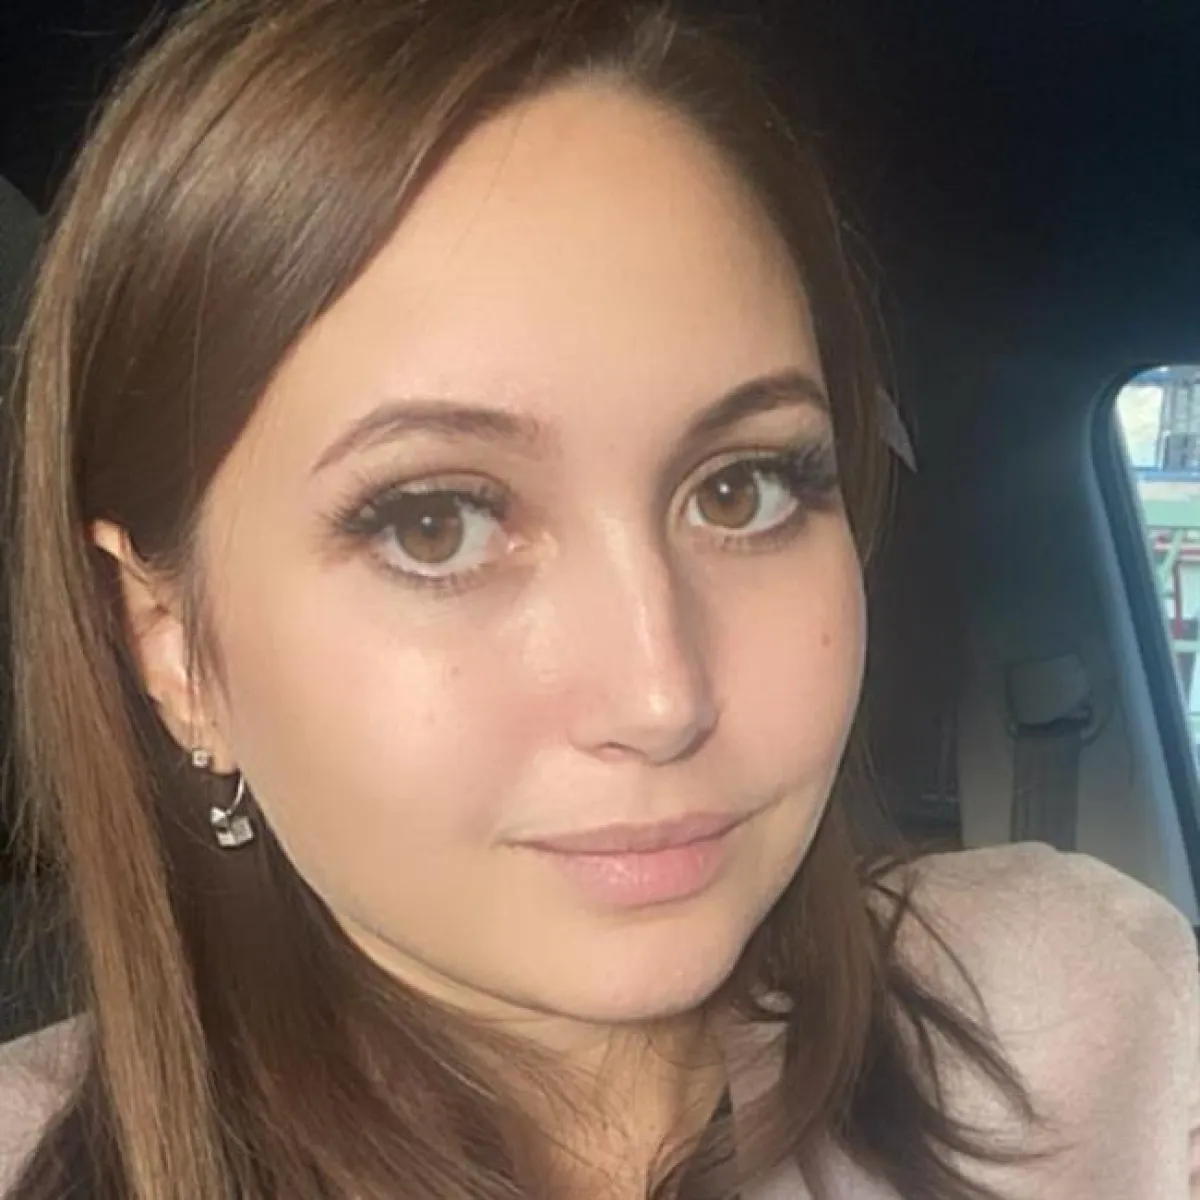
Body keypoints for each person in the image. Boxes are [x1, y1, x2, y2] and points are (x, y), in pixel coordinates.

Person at [0, 0, 1196, 1196]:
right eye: (436, 523)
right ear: (170, 645)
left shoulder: (1096, 1026)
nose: (661, 698)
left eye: (740, 489)